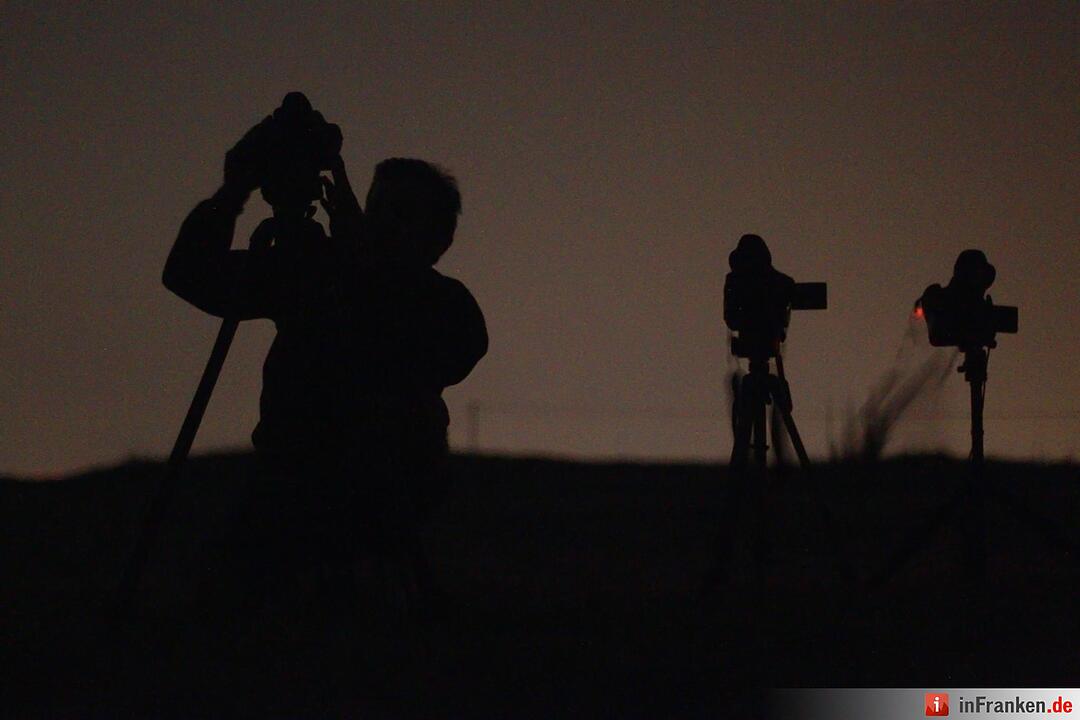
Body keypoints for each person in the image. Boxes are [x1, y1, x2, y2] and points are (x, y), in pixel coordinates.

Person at [162, 112, 488, 614]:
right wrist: (233, 194)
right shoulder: (314, 273)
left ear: (438, 243)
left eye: (401, 216)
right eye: (376, 209)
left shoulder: (445, 305)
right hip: (288, 480)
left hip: (385, 487)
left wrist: (364, 269)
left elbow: (442, 353)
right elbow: (190, 275)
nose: (381, 225)